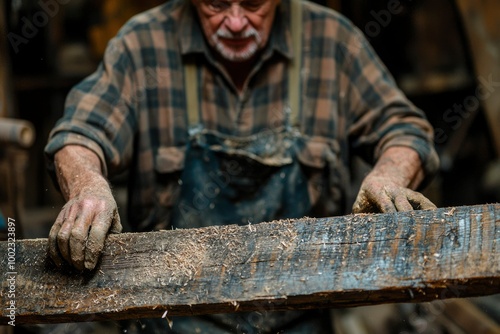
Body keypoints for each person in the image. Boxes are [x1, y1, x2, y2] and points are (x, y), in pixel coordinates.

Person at [44, 0, 440, 332]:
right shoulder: (141, 45)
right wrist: (86, 186)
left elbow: (405, 128)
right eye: (216, 4)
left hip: (299, 317)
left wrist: (388, 174)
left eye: (253, 4)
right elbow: (80, 134)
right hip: (169, 318)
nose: (234, 22)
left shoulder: (332, 41)